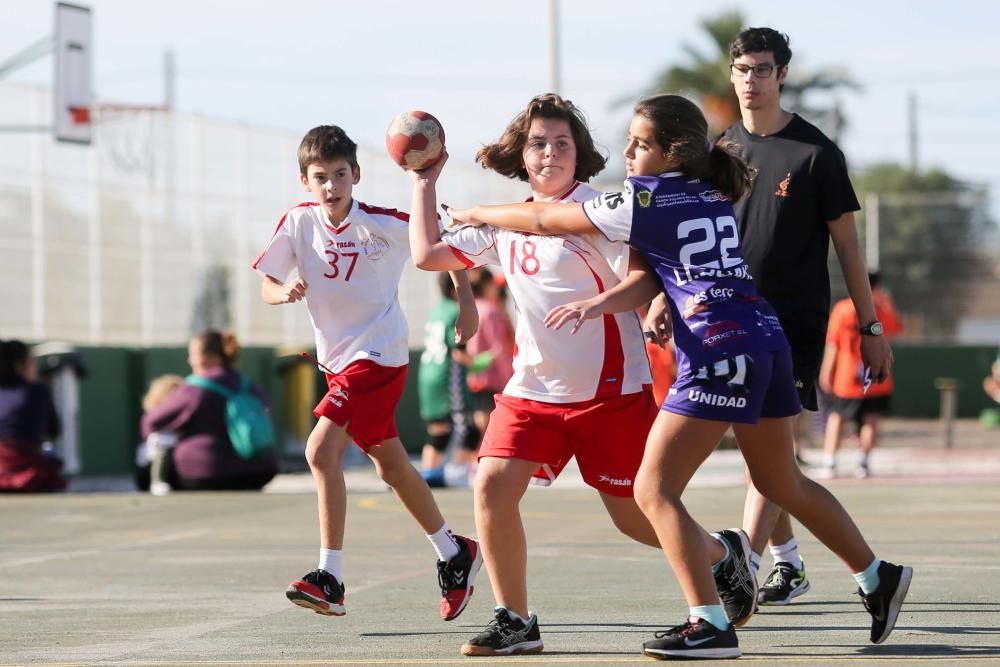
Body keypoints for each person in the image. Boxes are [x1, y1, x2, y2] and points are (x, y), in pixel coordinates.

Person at [446, 93, 912, 660]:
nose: (628, 150)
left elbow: (545, 217)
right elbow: (657, 270)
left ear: (673, 152)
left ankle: (709, 623)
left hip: (717, 344)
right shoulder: (711, 192)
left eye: (640, 143)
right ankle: (875, 574)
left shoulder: (643, 197)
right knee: (780, 481)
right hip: (764, 336)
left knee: (652, 489)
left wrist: (476, 214)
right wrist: (629, 302)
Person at [408, 94, 742, 657]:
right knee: (490, 484)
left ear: (579, 153)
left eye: (562, 143)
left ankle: (723, 555)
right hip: (532, 391)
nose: (550, 152)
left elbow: (648, 271)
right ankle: (514, 619)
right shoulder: (507, 223)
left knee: (636, 519)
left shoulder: (605, 209)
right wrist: (424, 181)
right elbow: (428, 255)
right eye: (538, 142)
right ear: (522, 153)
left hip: (610, 392)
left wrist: (634, 304)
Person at [252, 124, 482, 621]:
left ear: (356, 175)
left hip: (378, 357)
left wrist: (468, 304)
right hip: (337, 364)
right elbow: (267, 284)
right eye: (321, 177)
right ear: (305, 182)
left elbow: (446, 246)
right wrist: (283, 291)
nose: (331, 185)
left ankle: (329, 576)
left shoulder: (382, 223)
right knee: (391, 466)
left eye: (340, 174)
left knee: (319, 451)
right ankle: (453, 550)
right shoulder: (298, 223)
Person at [716, 27, 895, 611]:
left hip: (791, 324)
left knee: (768, 454)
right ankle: (788, 562)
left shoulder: (817, 154)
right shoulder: (720, 151)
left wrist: (871, 329)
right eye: (742, 69)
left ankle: (743, 561)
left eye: (763, 69)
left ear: (783, 74)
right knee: (761, 456)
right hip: (726, 321)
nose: (751, 80)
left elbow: (848, 249)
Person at [140, 331, 279, 491]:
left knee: (154, 461)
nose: (189, 360)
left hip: (208, 472)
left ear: (211, 358)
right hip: (261, 471)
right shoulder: (247, 385)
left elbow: (152, 421)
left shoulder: (195, 388)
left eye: (192, 354)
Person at [819, 272, 903, 478]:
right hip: (874, 374)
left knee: (837, 417)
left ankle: (830, 462)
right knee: (870, 418)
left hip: (846, 377)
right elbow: (897, 328)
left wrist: (826, 371)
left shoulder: (843, 309)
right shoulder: (881, 308)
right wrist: (887, 303)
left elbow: (833, 344)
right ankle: (863, 464)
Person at [418, 271, 482, 488]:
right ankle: (452, 474)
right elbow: (458, 353)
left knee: (439, 431)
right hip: (447, 376)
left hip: (427, 374)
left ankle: (428, 474)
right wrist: (481, 362)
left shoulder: (437, 310)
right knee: (469, 430)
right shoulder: (455, 310)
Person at [0, 340, 65, 493]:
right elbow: (54, 430)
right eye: (32, 360)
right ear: (19, 365)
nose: (36, 366)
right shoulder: (38, 391)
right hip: (27, 471)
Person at [465, 267, 515, 446]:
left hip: (475, 373)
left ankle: (473, 459)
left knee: (480, 418)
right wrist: (508, 378)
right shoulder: (491, 311)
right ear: (486, 285)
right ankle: (480, 457)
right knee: (488, 422)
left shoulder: (471, 308)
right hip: (492, 376)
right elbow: (499, 348)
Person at [134, 373, 185, 494]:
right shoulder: (153, 418)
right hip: (149, 468)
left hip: (174, 472)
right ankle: (158, 481)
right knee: (163, 447)